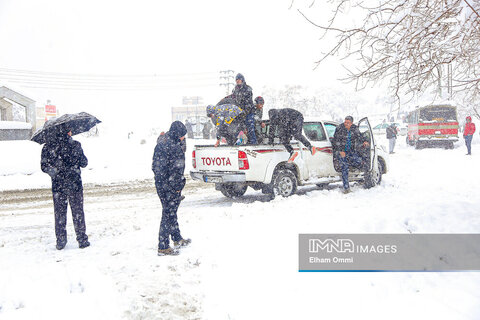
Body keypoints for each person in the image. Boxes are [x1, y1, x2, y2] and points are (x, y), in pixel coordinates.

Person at [40, 125, 90, 250]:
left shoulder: (48, 147)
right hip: (75, 184)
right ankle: (82, 239)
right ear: (68, 132)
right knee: (78, 212)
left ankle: (61, 241)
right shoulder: (75, 145)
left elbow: (43, 166)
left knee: (60, 214)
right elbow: (84, 163)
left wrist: (55, 171)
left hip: (58, 186)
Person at [152, 121, 191, 256]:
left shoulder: (162, 142)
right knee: (168, 214)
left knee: (171, 211)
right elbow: (176, 171)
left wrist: (162, 181)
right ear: (177, 133)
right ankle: (163, 246)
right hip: (170, 186)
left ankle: (176, 238)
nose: (183, 138)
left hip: (161, 184)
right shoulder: (173, 147)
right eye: (182, 136)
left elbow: (156, 167)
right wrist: (175, 188)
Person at [332, 116, 370, 194]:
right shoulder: (339, 128)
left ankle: (364, 179)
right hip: (341, 152)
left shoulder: (354, 128)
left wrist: (365, 141)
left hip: (350, 151)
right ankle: (346, 188)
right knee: (344, 167)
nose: (346, 124)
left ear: (351, 123)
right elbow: (335, 141)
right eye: (345, 122)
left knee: (359, 161)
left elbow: (360, 136)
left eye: (348, 123)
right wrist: (340, 151)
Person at [230, 73, 256, 144]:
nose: (237, 81)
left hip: (248, 112)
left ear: (242, 80)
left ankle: (253, 143)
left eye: (239, 79)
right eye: (236, 80)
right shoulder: (235, 90)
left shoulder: (248, 88)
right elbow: (233, 100)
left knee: (250, 127)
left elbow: (249, 101)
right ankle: (237, 142)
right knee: (237, 128)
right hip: (239, 112)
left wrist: (246, 110)